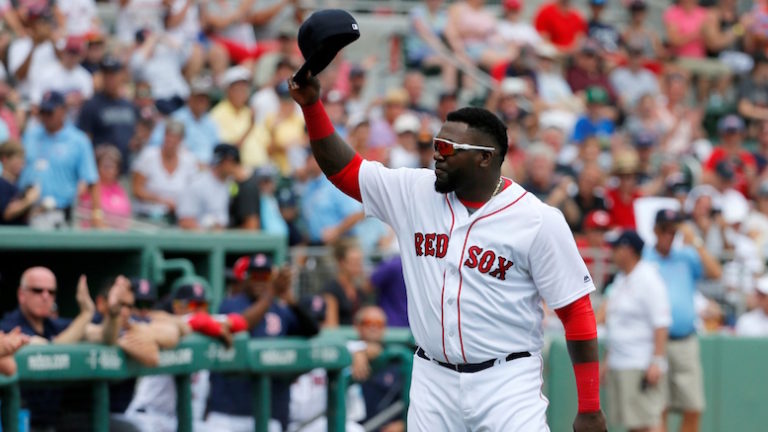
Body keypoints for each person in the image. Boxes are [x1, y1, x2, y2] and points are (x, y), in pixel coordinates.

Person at [289, 70, 605, 430]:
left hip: (506, 381)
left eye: (446, 148)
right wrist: (313, 105)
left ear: (485, 158)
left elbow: (576, 312)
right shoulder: (415, 191)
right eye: (435, 144)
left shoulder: (536, 220)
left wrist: (590, 406)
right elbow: (343, 170)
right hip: (432, 378)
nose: (436, 155)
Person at [206, 253, 319, 432]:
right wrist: (271, 293)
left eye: (265, 276)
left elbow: (312, 332)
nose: (259, 281)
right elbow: (239, 325)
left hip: (270, 410)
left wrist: (292, 302)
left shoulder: (281, 310)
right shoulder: (230, 304)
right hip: (228, 411)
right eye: (255, 276)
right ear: (246, 278)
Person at [643, 209, 722, 432]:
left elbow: (716, 273)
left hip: (685, 341)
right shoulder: (646, 258)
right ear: (656, 230)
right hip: (656, 343)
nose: (669, 235)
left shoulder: (686, 255)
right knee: (660, 408)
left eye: (673, 230)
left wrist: (694, 239)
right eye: (665, 230)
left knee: (693, 406)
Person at [0, 267, 97, 430]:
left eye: (51, 292)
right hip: (18, 419)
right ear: (21, 294)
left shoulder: (54, 324)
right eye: (38, 290)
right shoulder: (9, 325)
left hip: (54, 419)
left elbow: (99, 334)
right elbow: (49, 350)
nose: (45, 296)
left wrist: (114, 315)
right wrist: (86, 315)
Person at [603, 230, 671, 432]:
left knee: (649, 422)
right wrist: (608, 361)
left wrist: (656, 361)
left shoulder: (649, 279)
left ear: (629, 250)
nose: (612, 252)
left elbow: (661, 322)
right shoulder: (621, 279)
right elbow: (615, 323)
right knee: (634, 423)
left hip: (640, 362)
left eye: (616, 248)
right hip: (622, 361)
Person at [20, 91, 105, 227]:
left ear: (62, 111)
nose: (46, 117)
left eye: (50, 112)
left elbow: (91, 179)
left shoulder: (78, 140)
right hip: (26, 210)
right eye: (43, 112)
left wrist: (96, 213)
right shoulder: (30, 135)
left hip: (59, 211)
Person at [77, 56, 137, 171]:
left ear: (121, 76)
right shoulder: (92, 105)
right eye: (106, 75)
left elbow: (134, 135)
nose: (110, 79)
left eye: (113, 74)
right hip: (101, 171)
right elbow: (84, 141)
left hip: (125, 169)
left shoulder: (129, 105)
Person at [131, 119, 198, 221]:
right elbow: (137, 189)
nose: (170, 140)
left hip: (178, 216)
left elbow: (193, 191)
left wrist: (179, 205)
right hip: (148, 215)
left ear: (181, 140)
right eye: (168, 135)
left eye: (175, 137)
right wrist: (161, 200)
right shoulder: (148, 155)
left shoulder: (189, 160)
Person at [177, 143, 239, 230]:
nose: (234, 165)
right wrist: (208, 233)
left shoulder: (230, 184)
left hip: (221, 240)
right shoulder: (197, 184)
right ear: (220, 161)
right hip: (200, 241)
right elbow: (185, 221)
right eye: (230, 161)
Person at [78, 144, 132, 229]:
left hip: (118, 237)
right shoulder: (89, 186)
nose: (110, 170)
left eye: (113, 166)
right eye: (106, 166)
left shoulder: (120, 188)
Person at [323, 238, 369, 327]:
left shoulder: (359, 290)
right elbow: (331, 325)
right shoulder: (331, 289)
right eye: (354, 262)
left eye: (359, 262)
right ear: (341, 262)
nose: (358, 266)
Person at [0, 140, 38, 225]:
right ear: (4, 159)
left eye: (22, 159)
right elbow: (7, 213)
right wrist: (29, 200)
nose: (22, 163)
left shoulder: (15, 184)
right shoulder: (2, 184)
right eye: (18, 159)